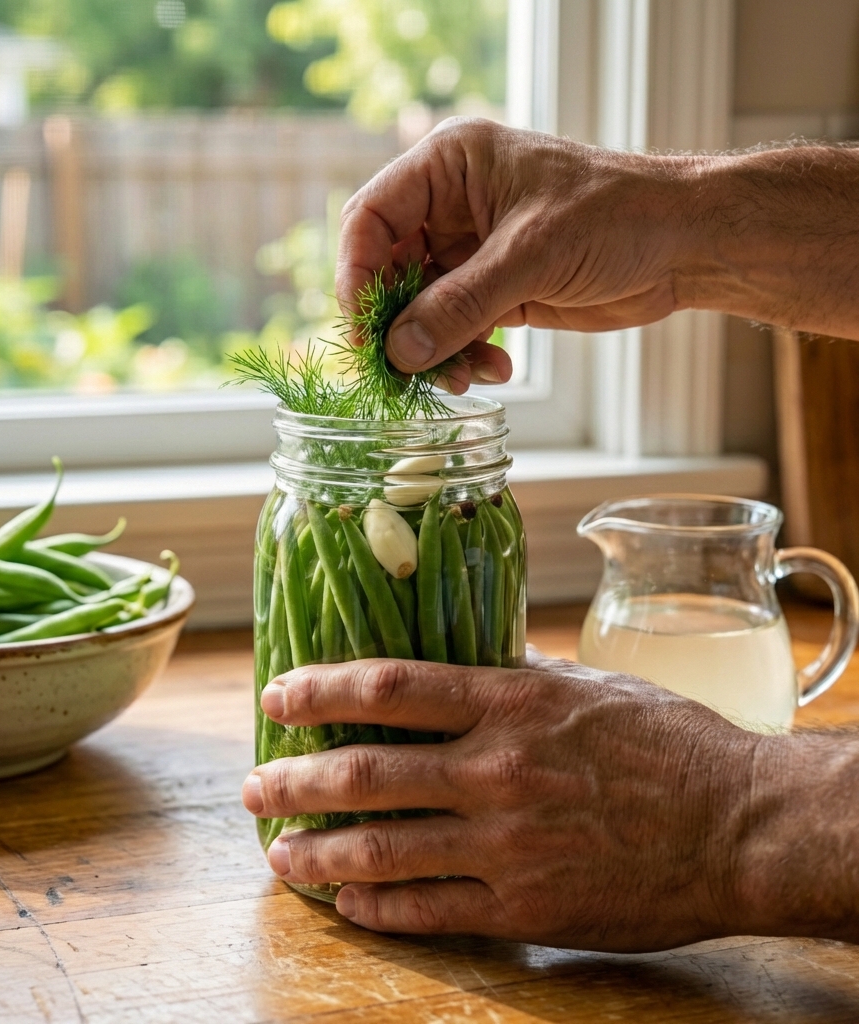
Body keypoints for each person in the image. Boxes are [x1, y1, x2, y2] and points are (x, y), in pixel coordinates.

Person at [241, 117, 859, 952]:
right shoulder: (310, 516)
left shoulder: (474, 516)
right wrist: (681, 219)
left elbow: (725, 807)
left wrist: (729, 811)